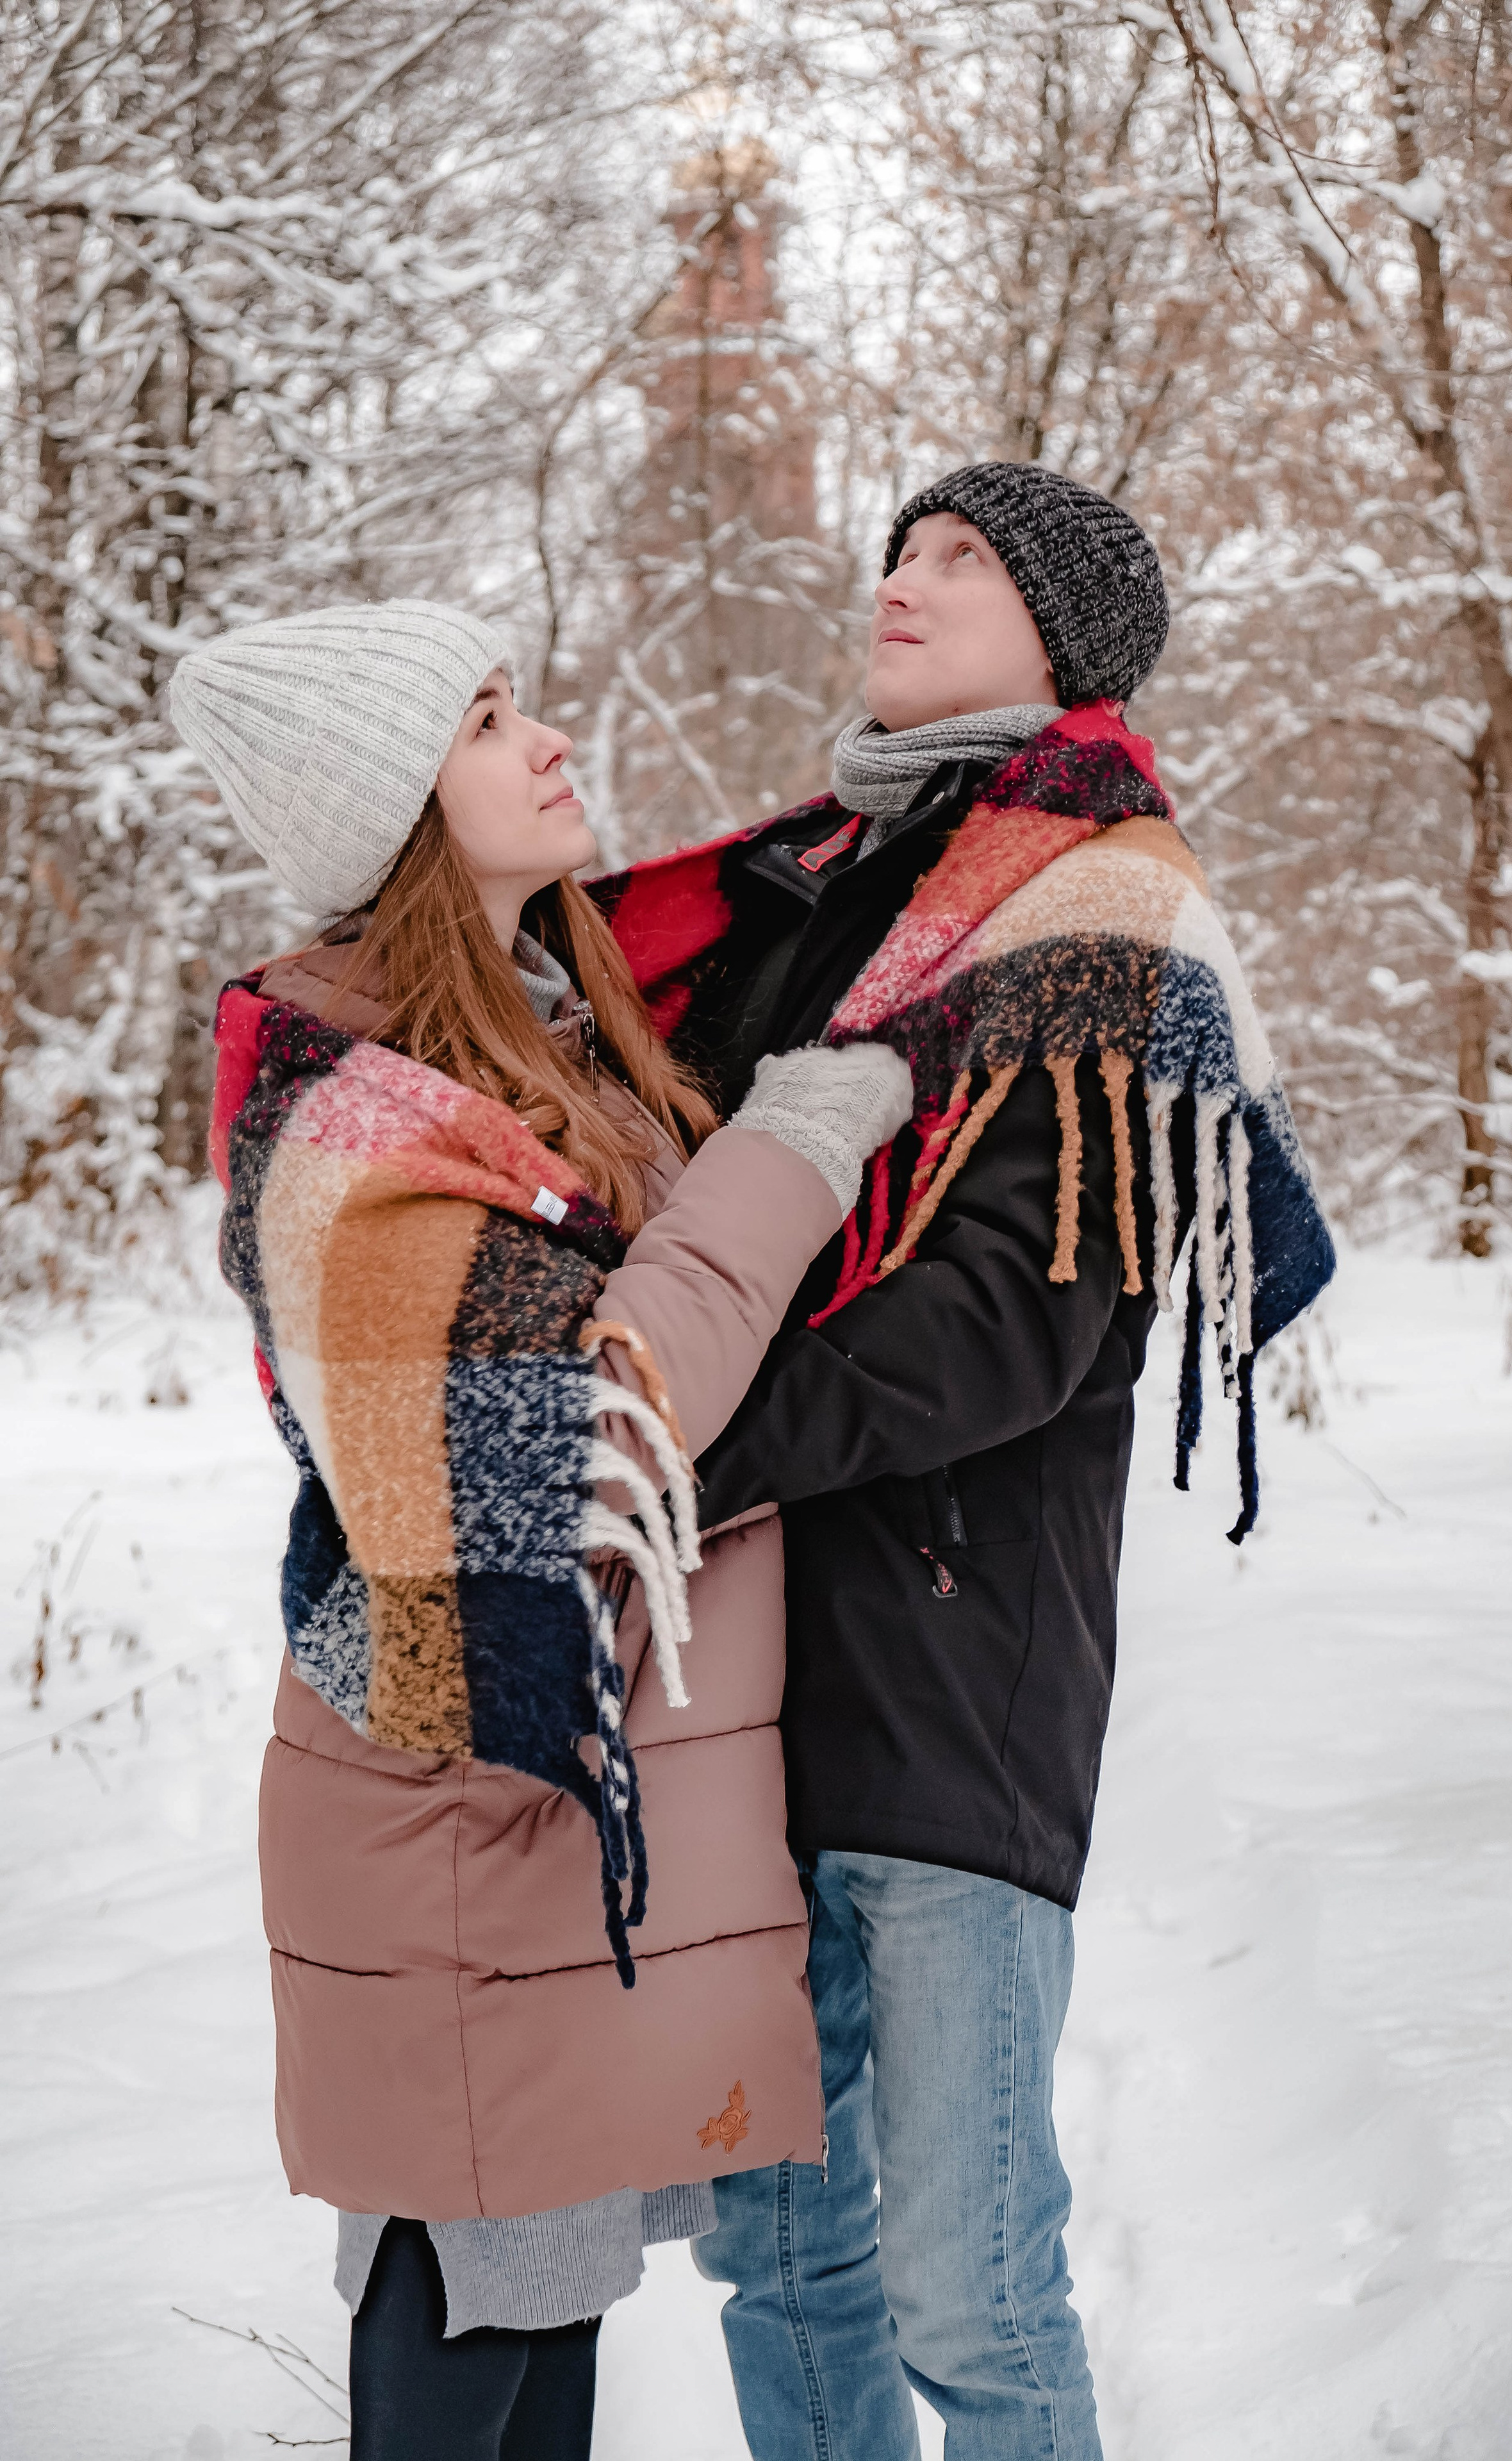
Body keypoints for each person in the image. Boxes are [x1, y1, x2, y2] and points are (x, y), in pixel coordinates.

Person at [589, 463, 1336, 2461]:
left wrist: (701, 1444)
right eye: (902, 549)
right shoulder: (803, 891)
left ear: (1066, 637)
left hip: (946, 1666)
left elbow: (1025, 1317)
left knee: (973, 2295)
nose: (905, 582)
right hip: (734, 1686)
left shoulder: (1103, 904)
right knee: (781, 2258)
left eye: (965, 561)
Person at [168, 599, 915, 2461]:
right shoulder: (352, 1120)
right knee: (469, 2307)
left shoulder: (561, 1049)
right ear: (396, 808)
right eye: (492, 719)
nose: (550, 741)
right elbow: (583, 1449)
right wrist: (786, 1164)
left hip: (547, 1789)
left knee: (549, 2299)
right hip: (449, 1786)